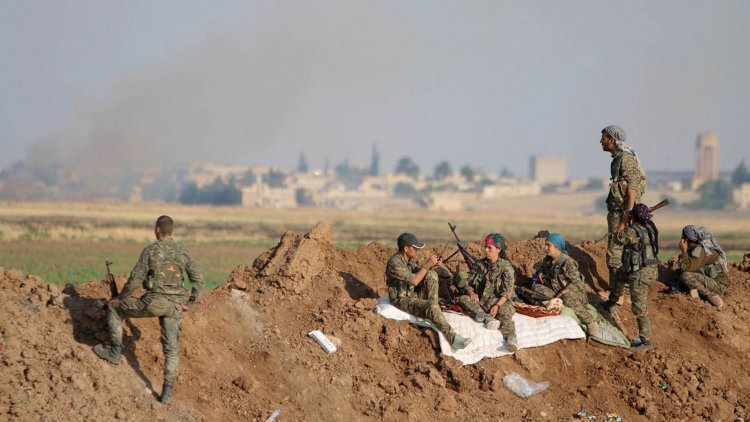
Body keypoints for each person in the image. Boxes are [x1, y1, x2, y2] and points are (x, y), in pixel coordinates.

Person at [93, 215, 204, 404]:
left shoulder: (151, 251)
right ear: (172, 231)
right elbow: (199, 281)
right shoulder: (183, 253)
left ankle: (114, 352)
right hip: (175, 307)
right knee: (171, 349)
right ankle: (167, 394)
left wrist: (119, 298)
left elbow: (135, 280)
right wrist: (190, 304)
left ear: (157, 230)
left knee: (114, 309)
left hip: (154, 302)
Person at [385, 233, 471, 350]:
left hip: (412, 294)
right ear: (406, 248)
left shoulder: (408, 261)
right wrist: (427, 265)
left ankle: (433, 309)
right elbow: (415, 281)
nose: (417, 251)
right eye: (415, 248)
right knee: (430, 305)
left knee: (431, 274)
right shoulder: (395, 263)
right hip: (401, 299)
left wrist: (432, 266)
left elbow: (421, 273)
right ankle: (453, 338)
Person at [601, 204, 659, 351]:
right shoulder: (650, 227)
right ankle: (612, 302)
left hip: (640, 274)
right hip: (650, 269)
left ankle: (645, 341)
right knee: (620, 276)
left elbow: (618, 239)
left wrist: (623, 222)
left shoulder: (634, 231)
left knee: (639, 307)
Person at [600, 125, 647, 295]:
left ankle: (618, 291)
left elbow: (632, 186)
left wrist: (627, 215)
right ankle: (618, 289)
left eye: (604, 138)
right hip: (618, 213)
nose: (601, 141)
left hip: (622, 214)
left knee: (616, 251)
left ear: (612, 140)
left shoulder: (625, 159)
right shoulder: (618, 158)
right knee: (618, 250)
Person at [455, 233, 518, 352]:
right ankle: (486, 318)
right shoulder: (479, 265)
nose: (486, 250)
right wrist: (471, 292)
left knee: (505, 314)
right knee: (463, 299)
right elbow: (467, 283)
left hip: (497, 301)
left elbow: (508, 291)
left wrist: (497, 305)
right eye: (485, 247)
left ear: (498, 250)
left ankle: (511, 338)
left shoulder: (506, 268)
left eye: (490, 248)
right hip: (480, 302)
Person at [532, 233, 600, 337]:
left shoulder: (567, 262)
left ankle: (589, 322)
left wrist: (564, 291)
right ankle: (557, 302)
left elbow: (577, 283)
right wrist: (540, 272)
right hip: (556, 292)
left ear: (557, 246)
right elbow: (542, 269)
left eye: (548, 245)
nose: (545, 248)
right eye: (545, 245)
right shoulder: (548, 259)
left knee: (567, 298)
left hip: (574, 293)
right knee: (535, 287)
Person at [678, 225, 729, 309]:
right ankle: (696, 290)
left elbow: (685, 268)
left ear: (686, 239)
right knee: (680, 276)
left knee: (685, 276)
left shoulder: (700, 250)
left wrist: (683, 251)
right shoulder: (697, 248)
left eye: (683, 237)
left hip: (718, 285)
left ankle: (711, 296)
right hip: (711, 280)